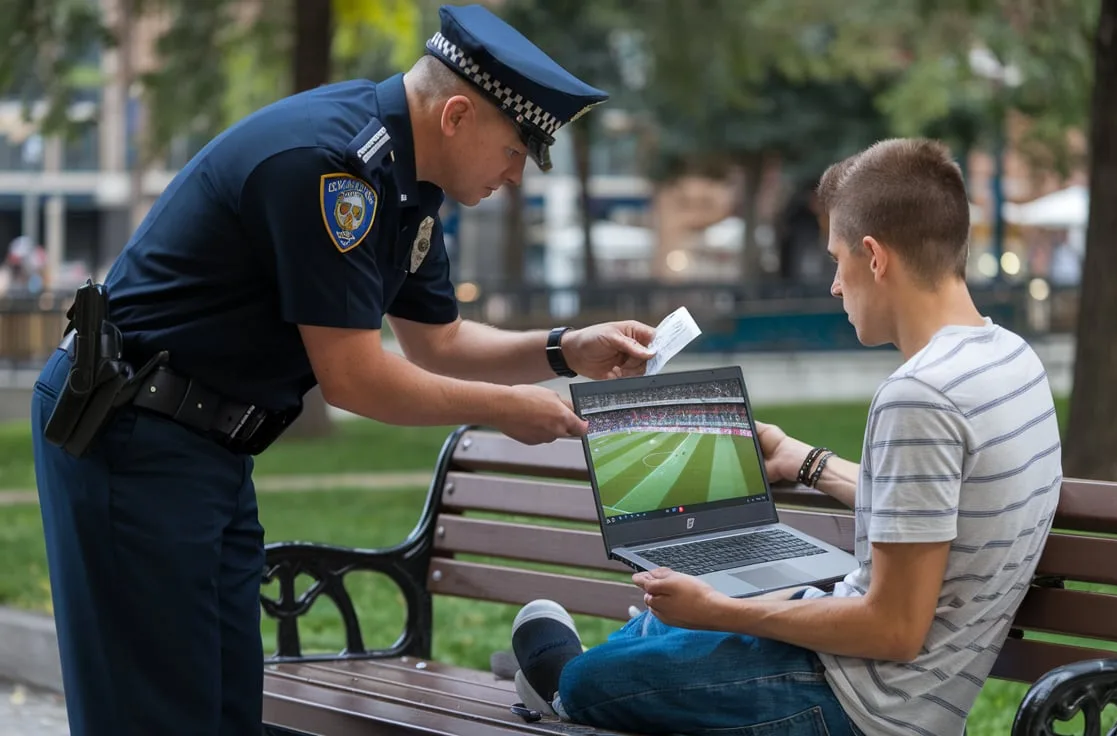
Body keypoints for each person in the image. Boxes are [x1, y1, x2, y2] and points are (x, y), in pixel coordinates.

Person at [30, 5, 654, 735]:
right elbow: (357, 379)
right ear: (457, 114)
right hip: (131, 434)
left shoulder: (409, 184)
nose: (515, 176)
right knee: (153, 715)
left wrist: (562, 349)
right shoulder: (336, 169)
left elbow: (437, 343)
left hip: (204, 449)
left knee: (223, 710)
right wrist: (509, 410)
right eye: (518, 150)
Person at [504, 138, 1064, 736]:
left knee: (596, 679)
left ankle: (564, 684)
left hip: (861, 705)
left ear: (874, 258)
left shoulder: (919, 394)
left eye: (836, 259)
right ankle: (651, 648)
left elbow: (894, 630)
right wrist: (806, 461)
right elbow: (941, 510)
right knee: (682, 610)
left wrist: (725, 612)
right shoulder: (1009, 357)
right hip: (883, 677)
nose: (834, 285)